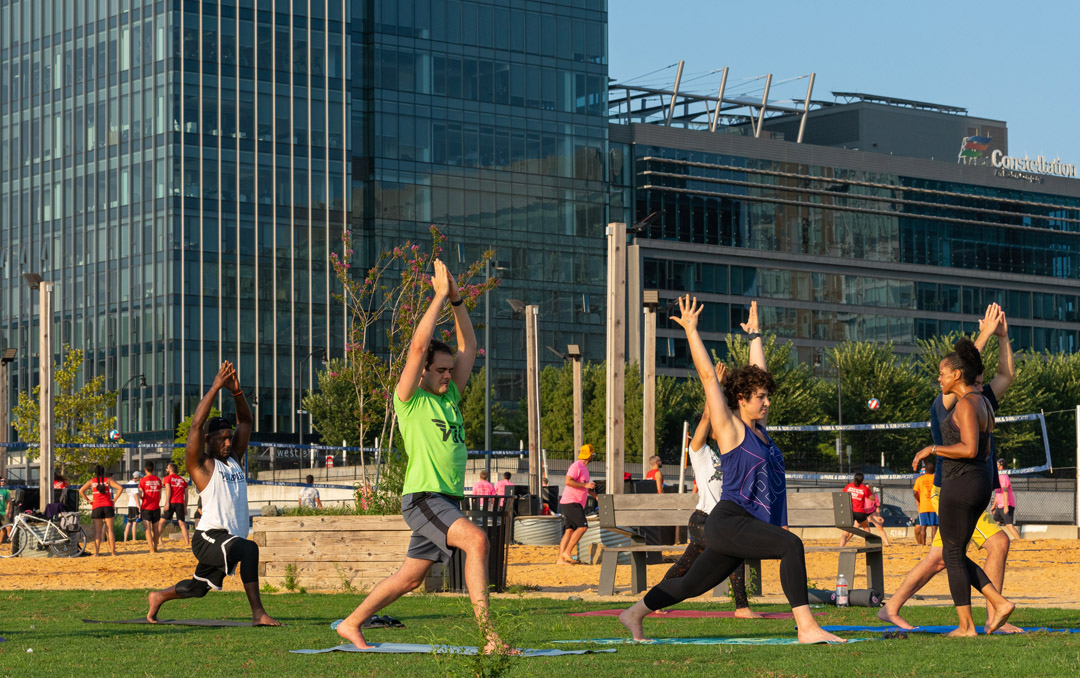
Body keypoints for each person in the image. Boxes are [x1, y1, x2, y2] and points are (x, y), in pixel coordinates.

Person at [619, 297, 844, 644]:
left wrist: (755, 336)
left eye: (768, 396)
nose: (767, 402)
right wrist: (692, 331)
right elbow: (709, 377)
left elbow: (760, 374)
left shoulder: (761, 432)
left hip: (744, 525)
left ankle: (633, 613)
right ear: (740, 398)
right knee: (791, 546)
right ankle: (807, 627)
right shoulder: (731, 428)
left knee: (691, 584)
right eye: (760, 397)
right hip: (729, 520)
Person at [335, 259, 511, 653]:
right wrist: (436, 297)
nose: (449, 374)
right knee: (477, 541)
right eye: (441, 369)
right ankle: (491, 638)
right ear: (424, 371)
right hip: (423, 497)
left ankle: (351, 623)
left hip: (445, 498)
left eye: (451, 370)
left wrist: (457, 299)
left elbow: (469, 347)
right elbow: (418, 346)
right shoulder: (409, 400)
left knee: (409, 579)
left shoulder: (450, 398)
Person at [880, 304, 1020, 633]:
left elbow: (1006, 375)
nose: (940, 377)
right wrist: (984, 334)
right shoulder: (946, 402)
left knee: (944, 556)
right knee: (990, 545)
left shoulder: (977, 398)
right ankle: (993, 615)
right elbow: (960, 368)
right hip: (953, 484)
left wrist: (1003, 337)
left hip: (968, 483)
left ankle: (891, 607)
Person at [146, 361, 281, 626]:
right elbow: (195, 426)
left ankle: (158, 596)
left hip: (228, 538)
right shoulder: (201, 465)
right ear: (209, 440)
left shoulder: (235, 459)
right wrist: (216, 386)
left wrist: (237, 393)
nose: (228, 442)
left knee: (197, 588)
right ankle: (258, 614)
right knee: (250, 548)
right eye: (222, 438)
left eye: (230, 438)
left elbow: (246, 421)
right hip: (208, 537)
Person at [910, 337, 1014, 637]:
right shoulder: (980, 401)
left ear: (957, 375)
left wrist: (933, 449)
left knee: (952, 555)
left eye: (942, 373)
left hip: (961, 483)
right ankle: (999, 602)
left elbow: (968, 448)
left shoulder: (969, 402)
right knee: (955, 554)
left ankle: (967, 626)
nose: (939, 378)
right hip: (978, 482)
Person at [661, 382, 760, 619]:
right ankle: (742, 607)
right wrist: (714, 383)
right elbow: (707, 413)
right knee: (733, 551)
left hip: (721, 521)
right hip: (703, 521)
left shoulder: (728, 453)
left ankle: (656, 596)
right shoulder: (699, 452)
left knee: (684, 566)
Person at [556, 444, 597, 566]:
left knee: (569, 530)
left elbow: (583, 485)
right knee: (583, 527)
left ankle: (560, 559)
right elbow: (568, 481)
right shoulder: (576, 466)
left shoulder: (584, 468)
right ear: (590, 456)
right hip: (572, 501)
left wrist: (594, 494)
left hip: (573, 501)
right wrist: (586, 485)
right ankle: (567, 552)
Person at [79, 465, 123, 557]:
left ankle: (96, 553)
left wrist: (89, 500)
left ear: (95, 473)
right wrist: (114, 500)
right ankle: (113, 552)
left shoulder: (91, 481)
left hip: (97, 507)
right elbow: (120, 488)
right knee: (110, 530)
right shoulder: (108, 480)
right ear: (103, 472)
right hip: (108, 506)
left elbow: (81, 491)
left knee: (98, 532)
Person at [160, 463, 191, 546]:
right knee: (182, 523)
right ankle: (187, 543)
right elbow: (186, 495)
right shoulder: (182, 480)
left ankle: (159, 541)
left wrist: (167, 503)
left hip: (171, 502)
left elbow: (168, 490)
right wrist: (185, 507)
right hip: (180, 503)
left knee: (161, 522)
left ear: (171, 469)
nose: (166, 469)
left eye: (167, 468)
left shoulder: (167, 478)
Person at [838, 473, 870, 547]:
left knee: (845, 533)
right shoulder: (864, 488)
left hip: (849, 511)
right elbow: (872, 498)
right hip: (860, 512)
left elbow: (842, 495)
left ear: (854, 478)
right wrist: (870, 489)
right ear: (862, 480)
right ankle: (869, 546)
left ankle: (841, 548)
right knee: (866, 527)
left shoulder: (849, 486)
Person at [993, 459, 1022, 540]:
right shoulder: (998, 476)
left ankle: (1020, 540)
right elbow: (998, 492)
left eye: (997, 465)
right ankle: (997, 540)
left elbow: (1005, 491)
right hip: (1000, 505)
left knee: (1009, 525)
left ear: (1001, 467)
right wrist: (994, 505)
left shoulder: (1003, 477)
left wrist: (1006, 506)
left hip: (1007, 504)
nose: (996, 466)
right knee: (995, 524)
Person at [139, 461, 164, 553]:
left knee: (147, 529)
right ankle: (156, 546)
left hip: (146, 507)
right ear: (153, 470)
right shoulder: (158, 480)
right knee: (155, 529)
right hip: (156, 506)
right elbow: (160, 495)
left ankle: (151, 548)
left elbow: (141, 494)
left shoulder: (143, 480)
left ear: (145, 470)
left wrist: (138, 495)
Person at [913, 459, 938, 545]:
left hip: (924, 506)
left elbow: (915, 492)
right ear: (934, 470)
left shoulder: (920, 479)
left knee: (923, 527)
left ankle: (923, 544)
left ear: (925, 470)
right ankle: (933, 544)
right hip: (934, 506)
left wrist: (918, 499)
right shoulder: (936, 479)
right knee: (934, 527)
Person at [123, 471, 143, 543]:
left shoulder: (128, 484)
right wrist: (139, 506)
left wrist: (128, 502)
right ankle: (134, 539)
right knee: (135, 522)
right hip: (134, 504)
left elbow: (127, 495)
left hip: (130, 504)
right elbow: (135, 496)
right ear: (137, 477)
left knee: (129, 522)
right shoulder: (134, 485)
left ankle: (125, 539)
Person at [0, 477, 12, 544]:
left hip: (3, 512)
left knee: (8, 528)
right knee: (3, 529)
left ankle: (12, 546)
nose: (3, 482)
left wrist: (9, 510)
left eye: (4, 481)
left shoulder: (6, 491)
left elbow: (9, 502)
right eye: (2, 481)